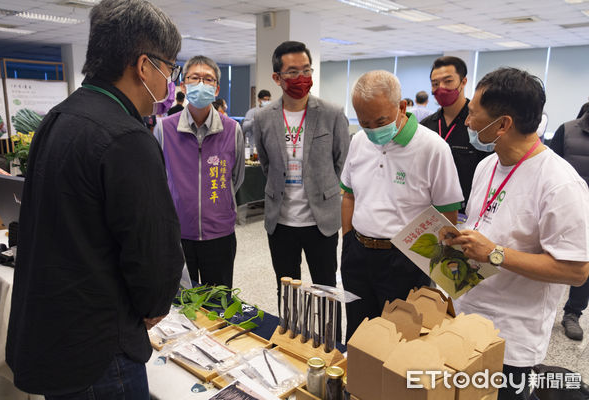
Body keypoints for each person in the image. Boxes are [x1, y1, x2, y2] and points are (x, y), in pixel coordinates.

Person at [6, 0, 186, 398]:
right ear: (144, 66)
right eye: (170, 68)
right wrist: (156, 302)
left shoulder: (60, 117)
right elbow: (151, 249)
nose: (170, 81)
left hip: (57, 336)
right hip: (101, 349)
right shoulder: (127, 138)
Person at [446, 68, 589, 400]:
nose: (466, 123)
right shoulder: (488, 166)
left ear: (503, 124)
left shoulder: (559, 184)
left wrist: (495, 253)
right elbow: (486, 227)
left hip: (511, 340)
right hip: (467, 319)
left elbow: (577, 271)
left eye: (472, 114)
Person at [340, 70, 463, 340]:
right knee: (358, 333)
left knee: (402, 338)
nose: (373, 129)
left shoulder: (433, 148)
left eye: (381, 120)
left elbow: (447, 212)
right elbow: (348, 194)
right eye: (364, 122)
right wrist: (347, 239)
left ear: (402, 107)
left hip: (406, 259)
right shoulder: (359, 141)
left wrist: (434, 262)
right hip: (358, 254)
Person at [253, 41, 350, 316]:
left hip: (321, 220)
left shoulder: (331, 114)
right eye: (293, 72)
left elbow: (342, 161)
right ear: (277, 78)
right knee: (286, 288)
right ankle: (291, 337)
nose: (301, 78)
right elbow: (266, 162)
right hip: (281, 221)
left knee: (326, 289)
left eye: (306, 70)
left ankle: (327, 343)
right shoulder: (263, 118)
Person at [154, 55, 244, 288]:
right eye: (195, 78)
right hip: (178, 234)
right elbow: (157, 180)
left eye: (208, 79)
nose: (202, 84)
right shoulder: (165, 128)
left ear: (216, 89)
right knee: (182, 306)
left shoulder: (232, 129)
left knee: (219, 304)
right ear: (183, 85)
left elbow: (236, 177)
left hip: (220, 234)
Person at [420, 56, 487, 211]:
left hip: (468, 212)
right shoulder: (425, 126)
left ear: (463, 82)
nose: (441, 88)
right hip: (430, 212)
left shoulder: (479, 125)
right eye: (435, 84)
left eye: (448, 81)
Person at [550, 103, 589, 341]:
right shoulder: (567, 131)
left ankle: (573, 313)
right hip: (566, 210)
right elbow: (547, 168)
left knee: (584, 264)